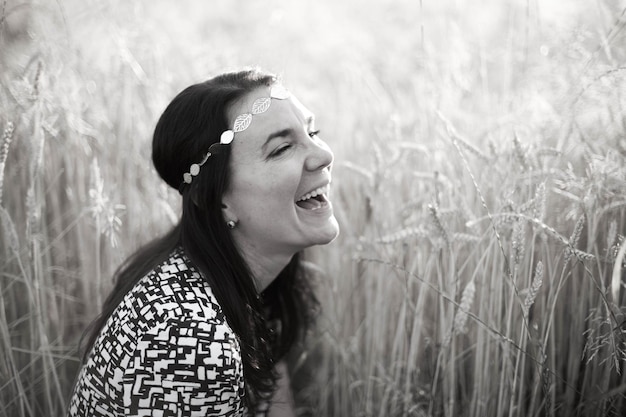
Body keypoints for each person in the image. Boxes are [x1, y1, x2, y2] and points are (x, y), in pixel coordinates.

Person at [67, 68, 340, 417]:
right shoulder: (185, 341)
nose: (323, 154)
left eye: (312, 131)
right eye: (283, 148)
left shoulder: (244, 278)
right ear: (216, 197)